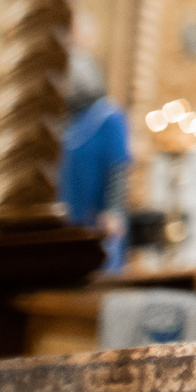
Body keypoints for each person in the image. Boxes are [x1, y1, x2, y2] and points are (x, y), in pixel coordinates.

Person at [58, 49, 132, 274]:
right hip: (68, 209)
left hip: (97, 215)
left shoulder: (108, 117)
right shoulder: (67, 119)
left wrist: (113, 210)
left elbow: (118, 166)